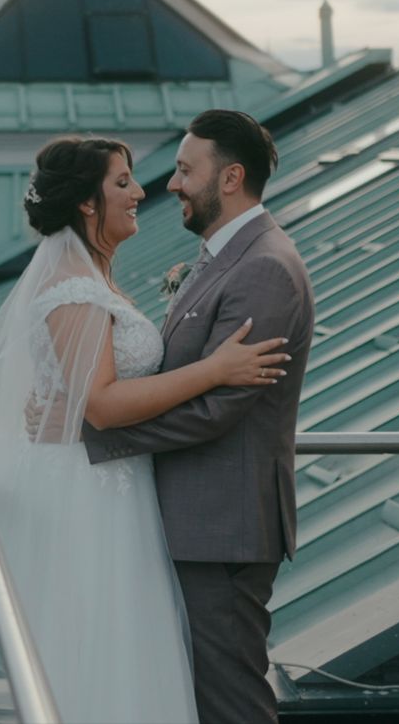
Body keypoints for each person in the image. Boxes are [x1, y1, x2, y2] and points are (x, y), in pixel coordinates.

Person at [0, 134, 291, 724]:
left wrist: (70, 415)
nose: (142, 191)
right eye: (122, 183)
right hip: (94, 499)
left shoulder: (91, 277)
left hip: (119, 489)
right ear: (88, 203)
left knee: (132, 652)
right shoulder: (73, 287)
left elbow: (91, 402)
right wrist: (214, 369)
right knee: (110, 653)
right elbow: (106, 405)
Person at [85, 109, 313, 724]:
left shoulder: (264, 266)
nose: (172, 184)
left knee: (231, 703)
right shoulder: (223, 258)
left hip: (223, 529)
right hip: (200, 523)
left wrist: (98, 433)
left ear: (231, 177)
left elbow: (218, 410)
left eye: (187, 170)